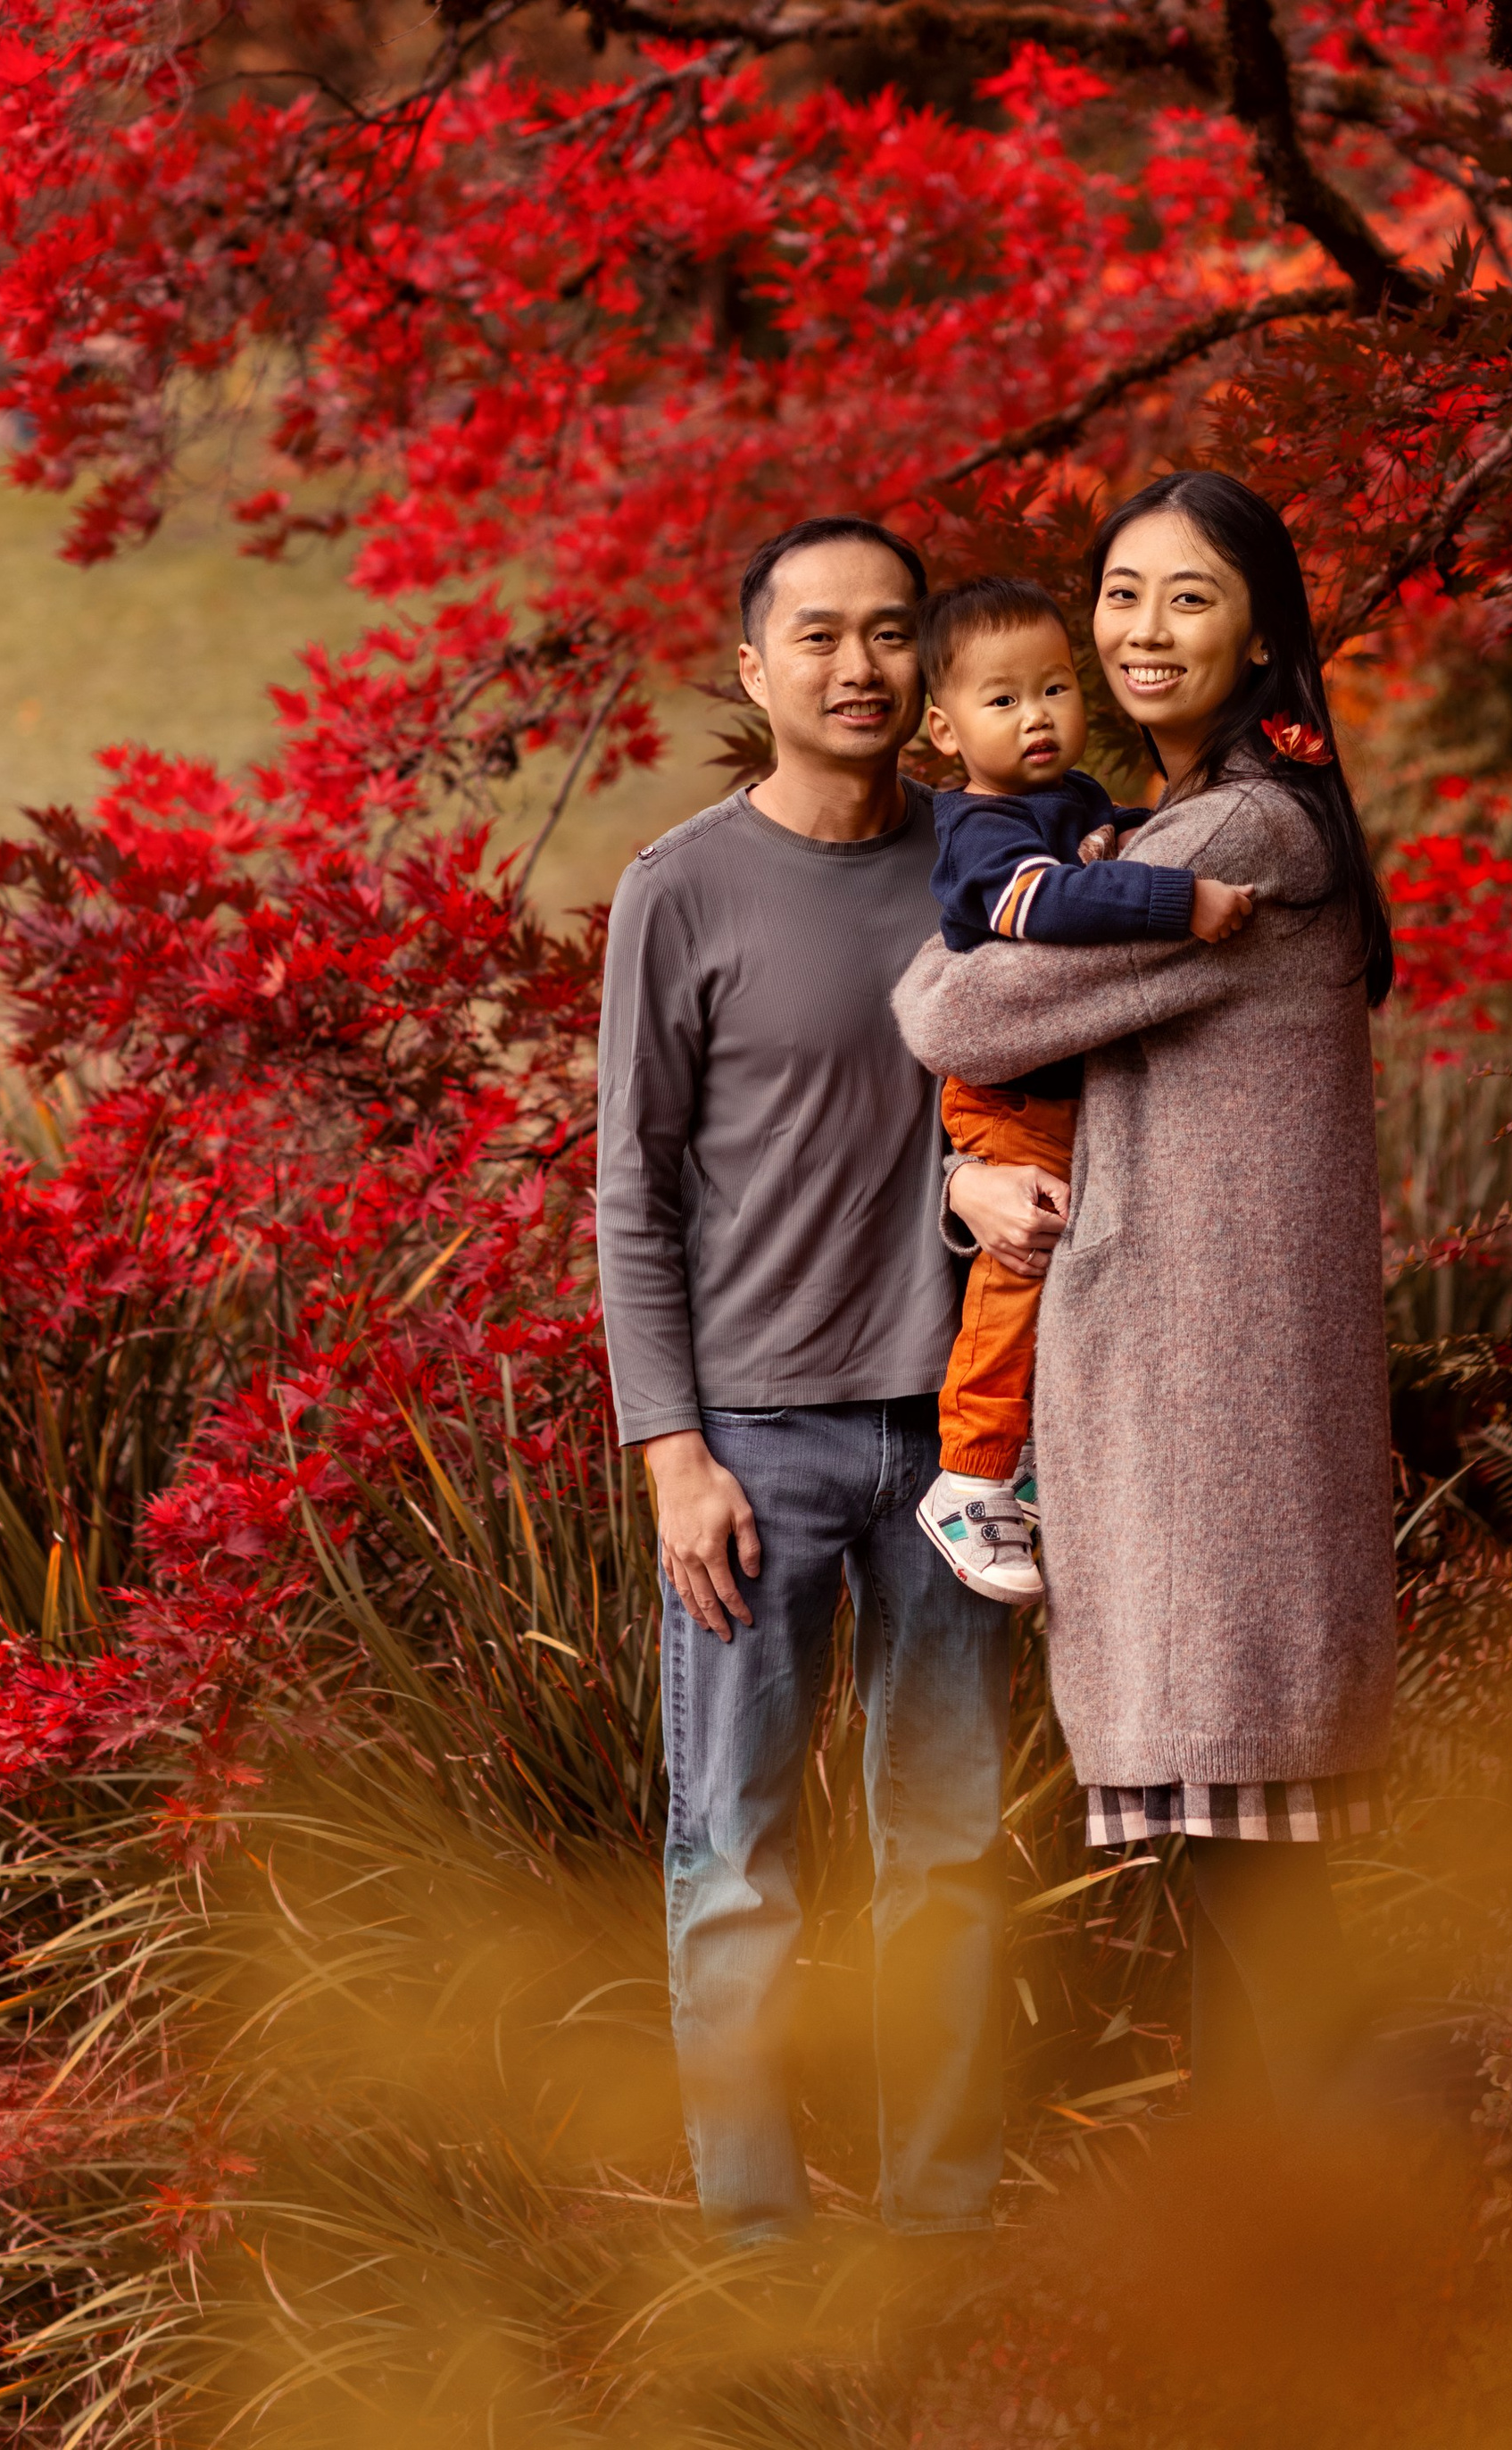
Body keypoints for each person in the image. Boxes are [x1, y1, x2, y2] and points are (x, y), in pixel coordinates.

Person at [894, 472, 1396, 2114]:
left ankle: (1333, 2263)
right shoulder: (1150, 834)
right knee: (1243, 1880)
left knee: (1262, 1883)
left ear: (1263, 626)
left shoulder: (1240, 839)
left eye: (1189, 596)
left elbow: (956, 1016)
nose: (1141, 628)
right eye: (1120, 592)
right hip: (1190, 1405)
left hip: (1217, 1416)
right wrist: (965, 1177)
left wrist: (957, 949)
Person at [594, 515, 1062, 2244]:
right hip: (753, 1450)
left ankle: (940, 2238)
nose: (856, 667)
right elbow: (629, 1192)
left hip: (959, 1448)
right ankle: (759, 2256)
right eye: (818, 637)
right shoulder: (680, 890)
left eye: (887, 636)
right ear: (753, 669)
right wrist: (670, 1453)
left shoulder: (987, 859)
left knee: (943, 1862)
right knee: (735, 1865)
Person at [910, 571, 1257, 1607]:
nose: (1037, 717)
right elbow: (1043, 903)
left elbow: (1108, 839)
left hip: (1061, 1090)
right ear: (942, 728)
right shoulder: (980, 830)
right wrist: (1172, 896)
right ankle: (968, 1476)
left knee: (1076, 1271)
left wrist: (1164, 831)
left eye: (1054, 690)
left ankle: (1021, 1460)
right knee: (1018, 1265)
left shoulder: (1069, 801)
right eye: (1002, 700)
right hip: (1008, 1094)